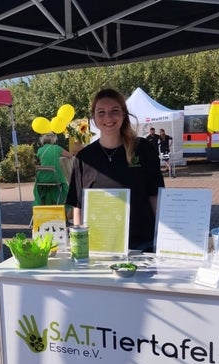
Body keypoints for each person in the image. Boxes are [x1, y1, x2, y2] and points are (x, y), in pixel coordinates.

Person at [66, 88, 165, 251]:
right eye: (101, 112)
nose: (108, 118)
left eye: (114, 111)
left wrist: (161, 235)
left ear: (124, 114)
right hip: (100, 247)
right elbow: (78, 206)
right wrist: (79, 246)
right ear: (94, 118)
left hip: (142, 244)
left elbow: (155, 195)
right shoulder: (84, 157)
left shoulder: (143, 149)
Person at [33, 133, 73, 206]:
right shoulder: (57, 148)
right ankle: (63, 206)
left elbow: (41, 159)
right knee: (65, 187)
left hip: (42, 178)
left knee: (44, 187)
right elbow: (70, 155)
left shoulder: (40, 150)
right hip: (55, 176)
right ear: (53, 140)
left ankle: (43, 204)